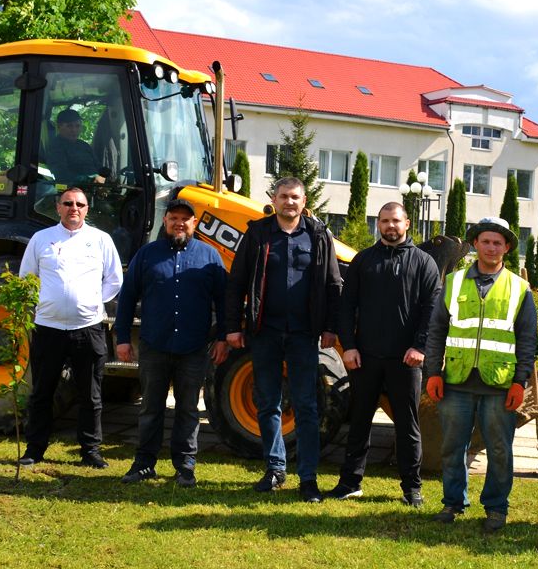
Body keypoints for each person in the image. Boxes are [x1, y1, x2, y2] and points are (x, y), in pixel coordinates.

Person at [225, 177, 342, 502]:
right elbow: (236, 283)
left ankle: (308, 478)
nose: (289, 202)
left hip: (305, 335)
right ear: (274, 200)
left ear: (304, 202)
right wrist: (232, 326)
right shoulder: (258, 233)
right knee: (268, 403)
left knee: (306, 405)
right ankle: (275, 469)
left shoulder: (319, 236)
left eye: (295, 197)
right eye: (283, 197)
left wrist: (330, 327)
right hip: (265, 332)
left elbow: (333, 285)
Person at [424, 217, 537, 533]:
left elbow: (528, 339)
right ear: (475, 244)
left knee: (500, 450)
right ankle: (452, 502)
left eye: (498, 243)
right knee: (452, 447)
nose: (491, 247)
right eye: (486, 241)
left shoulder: (519, 288)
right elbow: (436, 330)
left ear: (507, 248)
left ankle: (496, 508)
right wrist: (434, 373)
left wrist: (520, 382)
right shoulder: (454, 282)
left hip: (499, 384)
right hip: (456, 381)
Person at [328, 202, 441, 506]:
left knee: (408, 426)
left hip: (406, 360)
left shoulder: (424, 263)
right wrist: (348, 346)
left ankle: (411, 489)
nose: (390, 226)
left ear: (407, 224)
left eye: (396, 221)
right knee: (360, 422)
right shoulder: (364, 261)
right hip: (365, 358)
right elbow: (346, 307)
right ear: (377, 224)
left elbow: (432, 309)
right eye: (384, 221)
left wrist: (419, 347)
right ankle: (350, 483)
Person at [114, 198, 229, 487]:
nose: (179, 223)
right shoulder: (147, 255)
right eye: (174, 217)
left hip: (194, 347)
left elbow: (224, 303)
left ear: (194, 224)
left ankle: (185, 466)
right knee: (150, 408)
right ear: (165, 221)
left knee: (188, 409)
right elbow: (127, 298)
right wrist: (123, 339)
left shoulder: (210, 257)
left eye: (185, 219)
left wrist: (223, 338)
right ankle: (144, 464)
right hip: (155, 345)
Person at [18, 186, 123, 468]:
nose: (73, 208)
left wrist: (92, 302)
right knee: (42, 392)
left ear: (87, 209)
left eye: (79, 204)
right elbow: (27, 277)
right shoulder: (42, 239)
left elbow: (114, 279)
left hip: (87, 328)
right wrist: (43, 304)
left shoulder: (100, 240)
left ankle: (90, 452)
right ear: (58, 208)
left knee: (91, 394)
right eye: (68, 203)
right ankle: (34, 450)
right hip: (47, 328)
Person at [46, 108, 106, 185]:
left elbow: (98, 166)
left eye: (77, 126)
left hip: (92, 187)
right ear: (59, 126)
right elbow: (61, 175)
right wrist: (89, 179)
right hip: (66, 189)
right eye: (69, 126)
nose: (74, 130)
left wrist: (104, 174)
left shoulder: (84, 145)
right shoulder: (55, 147)